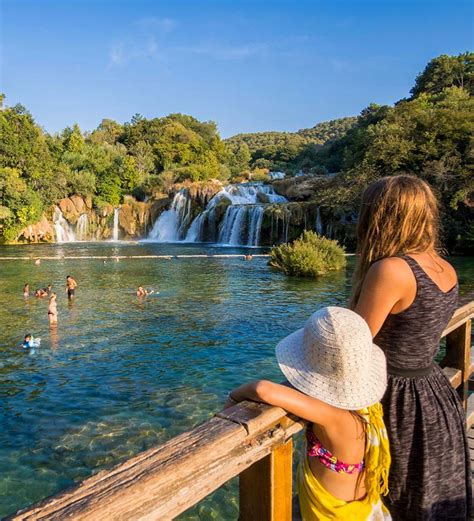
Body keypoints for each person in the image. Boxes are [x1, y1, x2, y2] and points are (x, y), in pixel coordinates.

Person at [351, 175, 470, 520]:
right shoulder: (445, 267)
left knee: (397, 495)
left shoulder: (391, 270)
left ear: (382, 218)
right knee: (426, 490)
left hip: (395, 398)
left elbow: (355, 345)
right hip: (433, 393)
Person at [227, 307, 391, 520]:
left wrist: (231, 398)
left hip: (335, 515)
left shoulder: (333, 416)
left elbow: (262, 389)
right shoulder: (367, 407)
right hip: (361, 507)